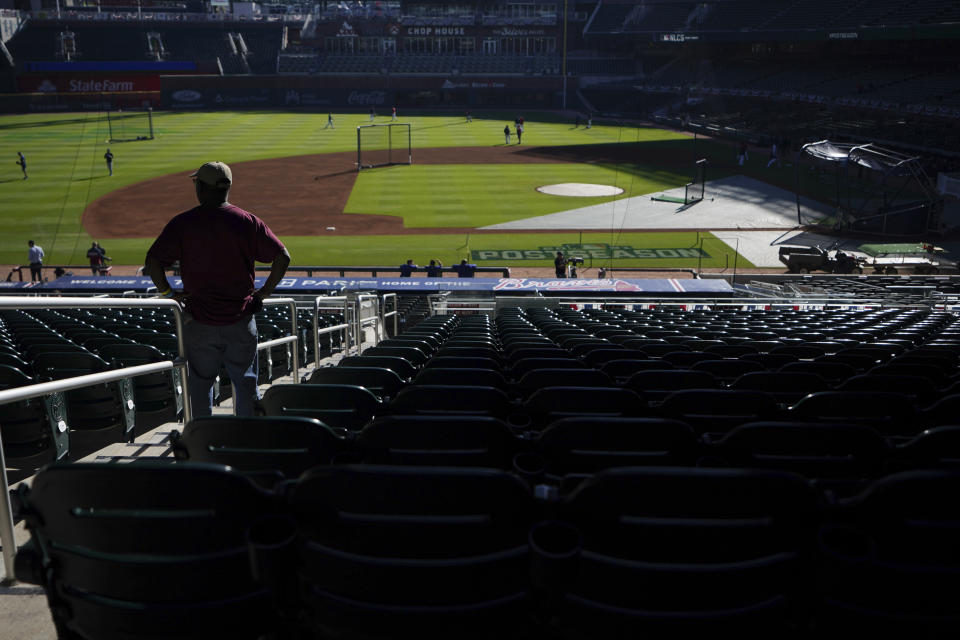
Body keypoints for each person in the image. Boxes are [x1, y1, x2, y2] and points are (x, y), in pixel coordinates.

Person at [144, 161, 291, 419]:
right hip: (241, 320)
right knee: (246, 384)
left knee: (200, 386)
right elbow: (282, 257)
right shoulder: (247, 221)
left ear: (201, 187)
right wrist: (262, 294)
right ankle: (246, 440)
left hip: (199, 321)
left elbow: (153, 262)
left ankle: (203, 439)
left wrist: (169, 295)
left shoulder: (184, 223)